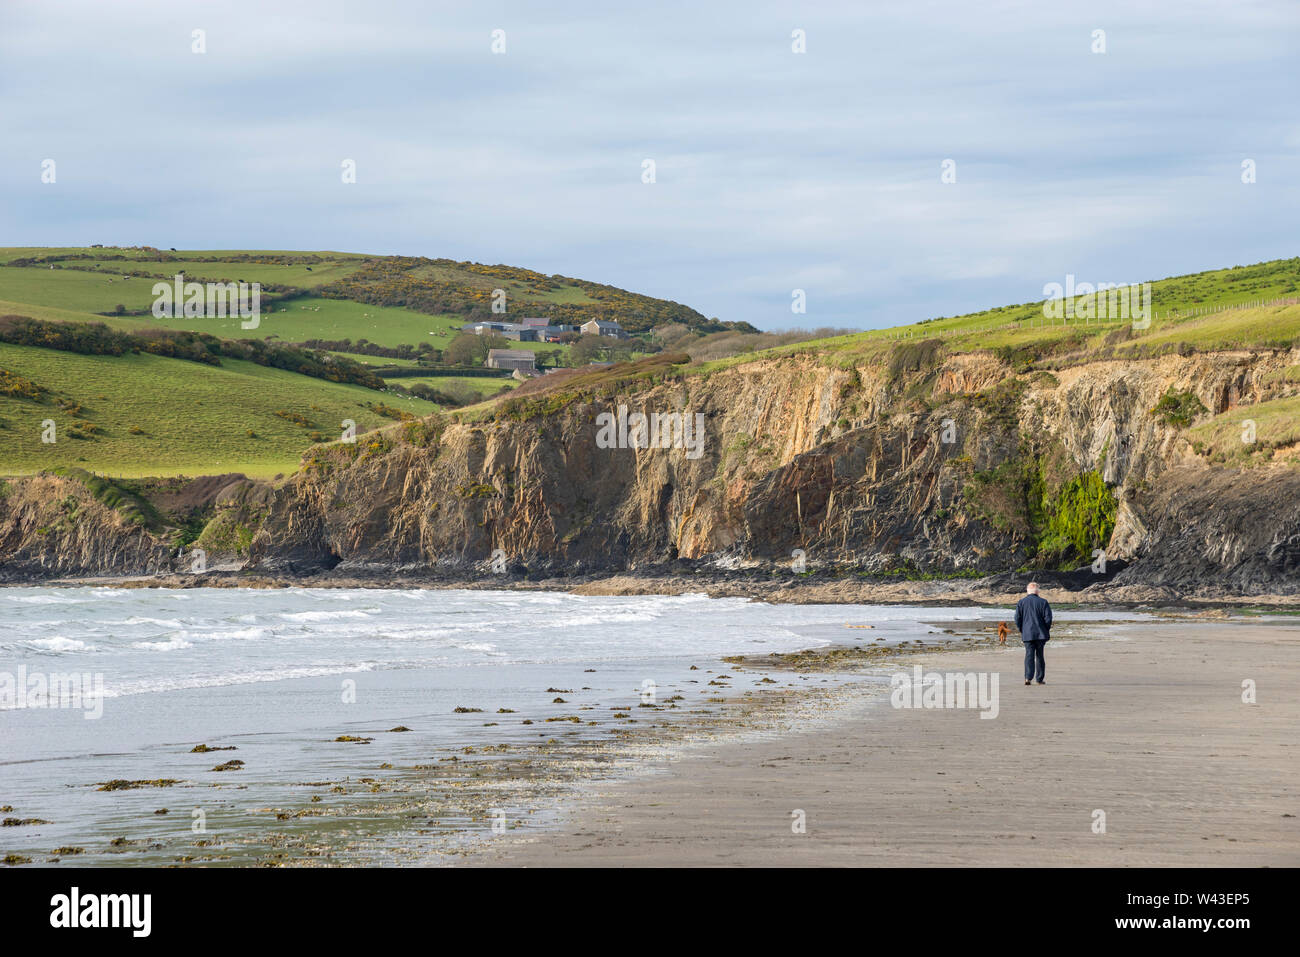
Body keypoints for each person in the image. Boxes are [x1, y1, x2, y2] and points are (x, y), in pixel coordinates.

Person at [1014, 582, 1052, 685]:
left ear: (1027, 591)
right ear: (1037, 591)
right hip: (1041, 633)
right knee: (1040, 656)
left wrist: (1022, 629)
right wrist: (1046, 629)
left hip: (1027, 633)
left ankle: (1028, 677)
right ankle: (1039, 679)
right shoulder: (1043, 602)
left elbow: (1017, 618)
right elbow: (1048, 619)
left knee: (1029, 655)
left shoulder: (1021, 602)